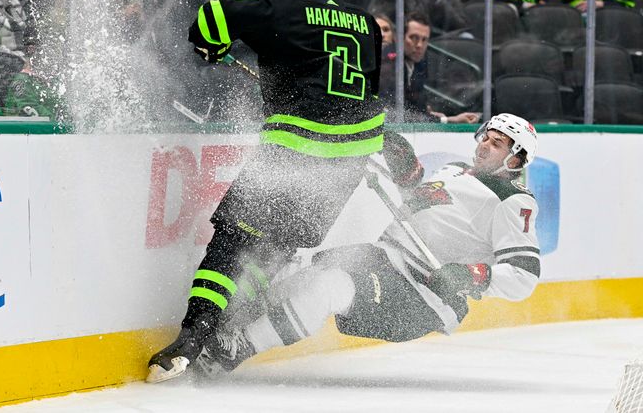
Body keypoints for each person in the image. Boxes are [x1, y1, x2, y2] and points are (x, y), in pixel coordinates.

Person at [147, 0, 385, 383]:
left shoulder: (277, 5)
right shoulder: (367, 21)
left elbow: (212, 17)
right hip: (351, 158)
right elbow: (366, 91)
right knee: (276, 244)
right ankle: (232, 326)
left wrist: (211, 48)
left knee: (232, 240)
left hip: (297, 149)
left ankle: (194, 335)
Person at [193, 114, 541, 379]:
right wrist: (404, 164)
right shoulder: (456, 170)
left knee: (330, 287)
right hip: (387, 260)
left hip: (424, 295)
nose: (484, 145)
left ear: (516, 158)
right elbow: (416, 197)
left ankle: (237, 349)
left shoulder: (513, 200)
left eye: (497, 144)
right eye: (487, 137)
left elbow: (523, 276)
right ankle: (227, 326)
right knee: (306, 276)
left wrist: (470, 275)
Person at [379, 12, 479, 124]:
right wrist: (446, 120)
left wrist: (428, 115)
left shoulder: (417, 64)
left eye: (424, 40)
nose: (419, 45)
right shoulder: (387, 65)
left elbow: (414, 108)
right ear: (398, 38)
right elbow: (392, 114)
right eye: (414, 38)